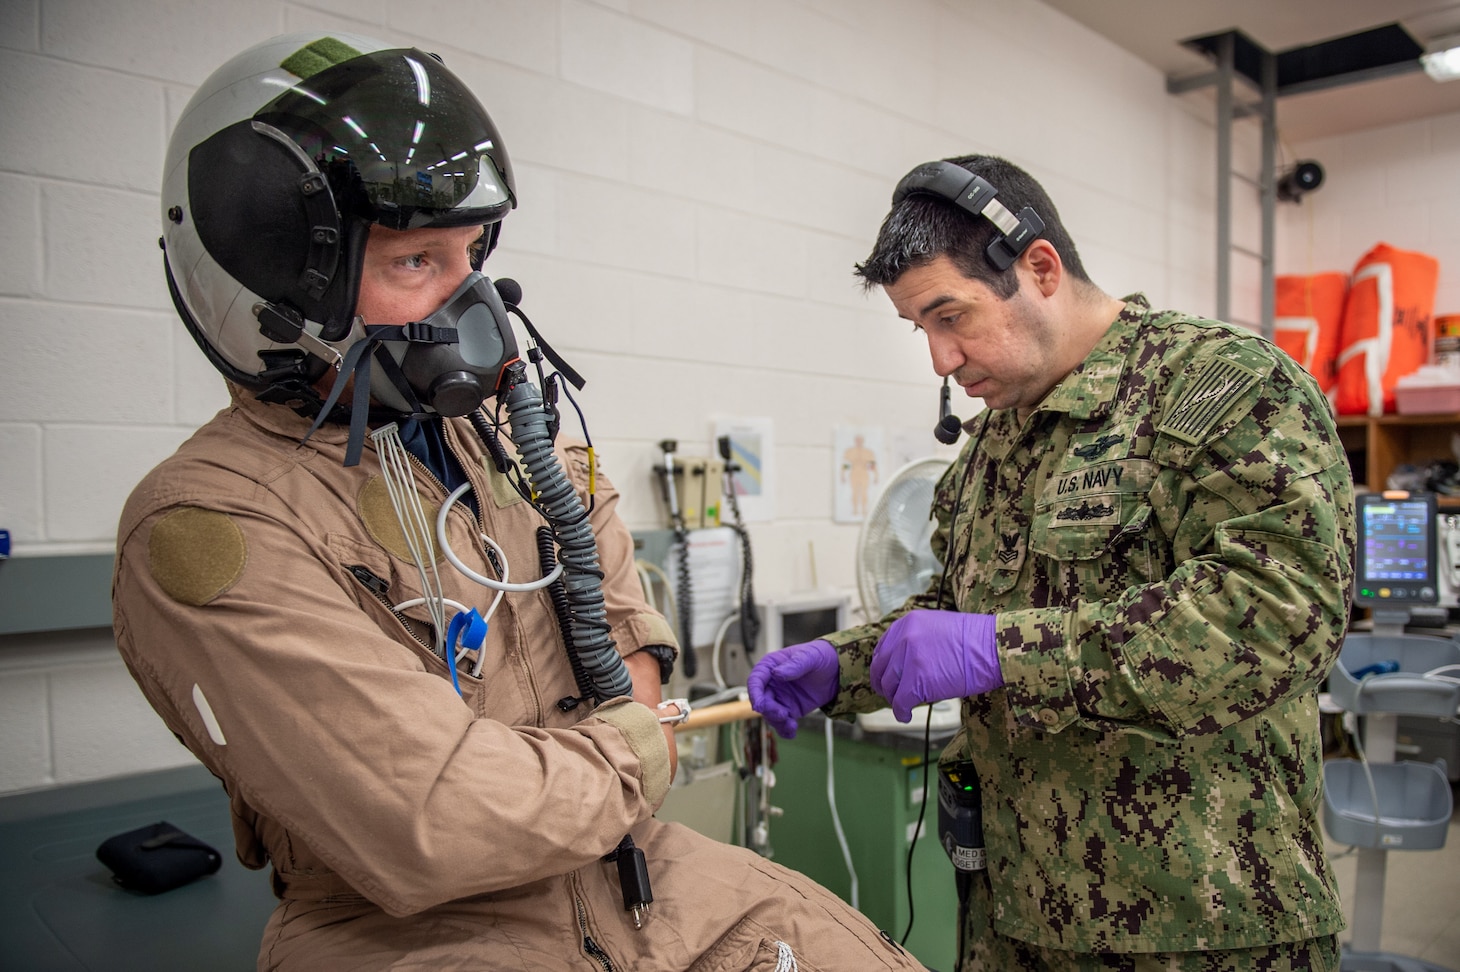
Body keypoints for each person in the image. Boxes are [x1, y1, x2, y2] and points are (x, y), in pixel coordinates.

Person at [113, 31, 926, 971]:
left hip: (635, 875)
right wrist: (631, 756)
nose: (478, 308)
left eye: (472, 256)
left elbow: (628, 640)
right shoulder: (212, 525)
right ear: (271, 290)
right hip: (422, 932)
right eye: (418, 261)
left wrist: (599, 759)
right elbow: (439, 818)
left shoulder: (522, 448)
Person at [748, 155, 1354, 972]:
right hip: (1014, 917)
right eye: (920, 329)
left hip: (1201, 929)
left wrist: (1006, 652)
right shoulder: (996, 439)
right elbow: (959, 608)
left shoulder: (1220, 388)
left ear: (1038, 268)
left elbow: (1279, 619)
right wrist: (842, 664)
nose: (939, 360)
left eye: (950, 316)